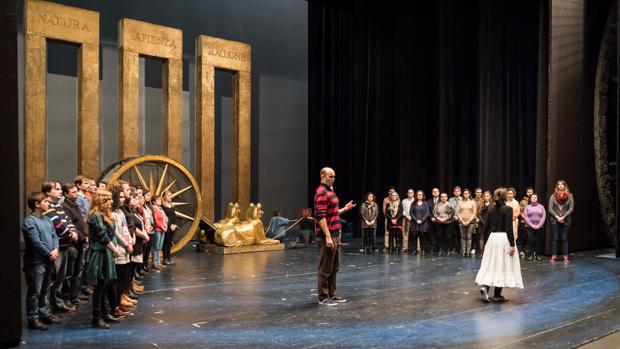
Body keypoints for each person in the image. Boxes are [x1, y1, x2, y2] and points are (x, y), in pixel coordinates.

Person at [314, 167, 355, 307]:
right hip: (328, 235)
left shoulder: (330, 190)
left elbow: (331, 212)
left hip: (336, 234)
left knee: (334, 267)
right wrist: (327, 236)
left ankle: (331, 294)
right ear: (323, 176)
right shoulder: (321, 191)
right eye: (331, 176)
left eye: (334, 177)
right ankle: (323, 297)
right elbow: (320, 216)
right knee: (325, 268)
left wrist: (344, 209)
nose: (333, 179)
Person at [476, 188, 524, 303]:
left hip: (493, 238)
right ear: (505, 197)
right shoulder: (508, 209)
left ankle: (485, 287)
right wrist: (512, 244)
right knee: (502, 265)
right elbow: (508, 228)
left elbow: (486, 227)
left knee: (492, 264)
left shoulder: (491, 209)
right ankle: (497, 294)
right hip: (503, 239)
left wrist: (486, 242)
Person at [22, 192, 61, 330]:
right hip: (36, 262)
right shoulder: (29, 221)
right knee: (35, 291)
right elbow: (35, 241)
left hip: (48, 259)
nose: (48, 204)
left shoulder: (47, 219)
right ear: (37, 204)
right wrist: (48, 253)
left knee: (45, 289)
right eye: (45, 201)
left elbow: (54, 236)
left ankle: (44, 313)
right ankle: (33, 318)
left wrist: (55, 249)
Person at [86, 189, 121, 328]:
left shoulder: (105, 215)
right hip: (99, 253)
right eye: (109, 199)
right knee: (100, 286)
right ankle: (96, 317)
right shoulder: (95, 215)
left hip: (106, 252)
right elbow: (102, 236)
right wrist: (115, 249)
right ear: (102, 201)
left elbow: (110, 233)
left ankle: (105, 313)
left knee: (106, 284)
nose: (112, 201)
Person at [42, 180, 78, 313]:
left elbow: (67, 221)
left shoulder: (58, 206)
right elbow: (56, 224)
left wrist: (73, 231)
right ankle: (48, 308)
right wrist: (70, 233)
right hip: (56, 247)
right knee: (52, 279)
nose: (60, 191)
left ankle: (57, 303)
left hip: (65, 245)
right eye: (57, 189)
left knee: (60, 278)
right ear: (47, 192)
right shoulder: (47, 206)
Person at [61, 182, 89, 307]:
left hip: (80, 242)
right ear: (66, 194)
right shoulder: (65, 207)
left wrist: (85, 235)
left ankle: (74, 295)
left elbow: (81, 222)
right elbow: (70, 224)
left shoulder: (75, 205)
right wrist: (81, 236)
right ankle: (68, 297)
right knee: (70, 272)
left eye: (76, 191)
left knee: (77, 270)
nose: (76, 194)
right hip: (73, 244)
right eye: (73, 192)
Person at [549, 180, 574, 262]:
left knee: (564, 238)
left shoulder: (570, 196)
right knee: (555, 237)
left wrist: (563, 217)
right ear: (557, 186)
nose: (560, 186)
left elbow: (571, 209)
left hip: (566, 219)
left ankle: (565, 256)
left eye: (562, 184)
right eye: (558, 184)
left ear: (564, 186)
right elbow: (550, 209)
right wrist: (557, 217)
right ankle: (554, 256)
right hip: (555, 219)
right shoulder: (553, 196)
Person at [524, 193, 546, 261]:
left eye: (535, 197)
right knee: (531, 241)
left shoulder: (541, 207)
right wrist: (532, 225)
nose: (534, 198)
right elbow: (526, 217)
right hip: (529, 227)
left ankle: (538, 255)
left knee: (538, 241)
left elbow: (543, 216)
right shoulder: (527, 207)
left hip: (539, 227)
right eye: (532, 197)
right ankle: (531, 255)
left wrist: (539, 225)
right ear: (530, 199)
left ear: (537, 199)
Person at [456, 189, 477, 257]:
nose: (466, 194)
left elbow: (474, 213)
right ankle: (463, 251)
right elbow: (457, 212)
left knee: (469, 237)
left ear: (469, 194)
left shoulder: (472, 202)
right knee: (463, 237)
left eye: (467, 193)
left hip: (470, 222)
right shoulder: (460, 202)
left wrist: (469, 221)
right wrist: (462, 221)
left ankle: (468, 252)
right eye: (464, 193)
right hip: (461, 222)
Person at [410, 190, 430, 255]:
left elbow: (427, 213)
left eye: (421, 194)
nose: (419, 196)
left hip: (423, 223)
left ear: (423, 196)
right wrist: (416, 220)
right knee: (414, 237)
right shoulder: (413, 203)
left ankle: (423, 250)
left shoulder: (425, 203)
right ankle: (414, 250)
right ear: (416, 195)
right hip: (414, 223)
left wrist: (421, 220)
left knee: (422, 237)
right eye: (418, 194)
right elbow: (411, 212)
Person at [161, 190, 178, 265]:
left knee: (169, 243)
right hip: (167, 226)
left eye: (171, 195)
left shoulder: (171, 205)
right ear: (164, 196)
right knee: (166, 243)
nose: (170, 196)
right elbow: (165, 217)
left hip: (173, 226)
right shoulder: (163, 206)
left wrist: (174, 224)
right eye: (168, 195)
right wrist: (170, 225)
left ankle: (169, 258)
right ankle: (165, 259)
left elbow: (173, 216)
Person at [477, 191, 492, 257]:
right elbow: (479, 214)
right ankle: (481, 252)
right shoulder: (480, 204)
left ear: (490, 196)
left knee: (489, 238)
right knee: (482, 237)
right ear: (483, 197)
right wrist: (483, 222)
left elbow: (494, 214)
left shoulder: (492, 205)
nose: (486, 197)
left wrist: (489, 222)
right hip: (482, 223)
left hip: (490, 224)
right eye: (485, 196)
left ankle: (488, 253)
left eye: (487, 196)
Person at [382, 187, 396, 253]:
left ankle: (394, 245)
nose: (392, 193)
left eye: (393, 191)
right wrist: (389, 218)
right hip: (387, 218)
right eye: (390, 191)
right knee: (387, 232)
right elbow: (384, 210)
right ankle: (387, 246)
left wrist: (395, 218)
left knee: (395, 232)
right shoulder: (385, 199)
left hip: (395, 219)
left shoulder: (397, 199)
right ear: (388, 192)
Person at [427, 188, 440, 254]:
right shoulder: (428, 201)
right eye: (433, 191)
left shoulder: (442, 199)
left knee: (439, 234)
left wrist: (438, 218)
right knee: (431, 235)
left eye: (436, 191)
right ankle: (432, 248)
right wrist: (431, 217)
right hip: (431, 220)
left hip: (440, 221)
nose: (435, 192)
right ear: (432, 193)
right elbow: (427, 211)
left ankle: (439, 248)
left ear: (439, 192)